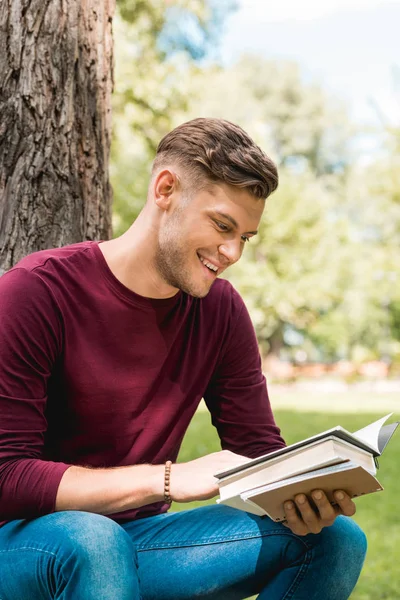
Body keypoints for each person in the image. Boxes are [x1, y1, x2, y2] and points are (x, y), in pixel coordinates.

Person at [0, 118, 366, 599]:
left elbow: (257, 449)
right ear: (166, 189)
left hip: (138, 545)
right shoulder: (37, 292)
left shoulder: (220, 311)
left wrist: (298, 493)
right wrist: (168, 479)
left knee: (334, 538)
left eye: (245, 237)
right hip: (25, 546)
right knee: (94, 541)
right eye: (222, 225)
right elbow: (7, 476)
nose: (232, 251)